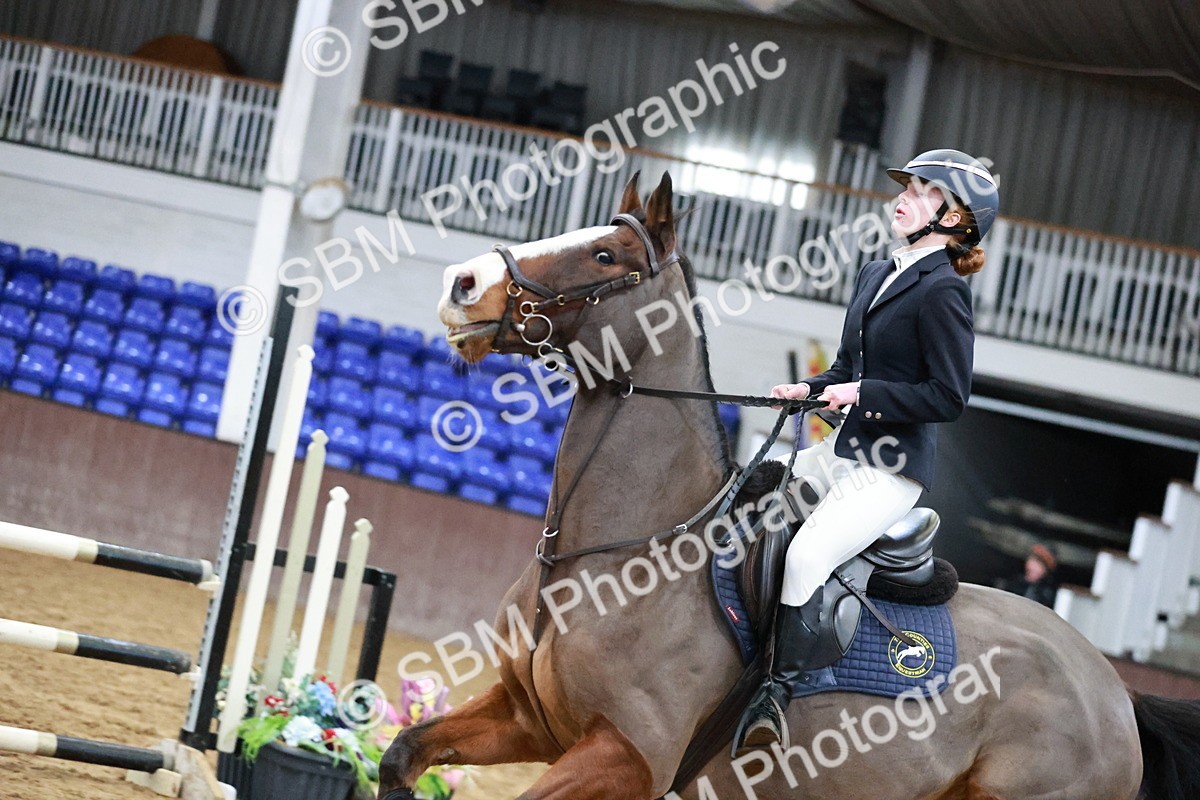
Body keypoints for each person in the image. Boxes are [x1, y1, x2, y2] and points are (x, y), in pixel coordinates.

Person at [736, 149, 1000, 751]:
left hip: (888, 471)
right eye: (909, 186)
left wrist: (864, 394)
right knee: (749, 494)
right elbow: (846, 368)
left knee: (806, 558)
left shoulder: (943, 293)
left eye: (925, 192)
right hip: (841, 452)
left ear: (957, 220)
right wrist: (811, 389)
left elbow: (948, 396)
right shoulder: (875, 272)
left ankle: (780, 693)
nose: (904, 196)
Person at [995, 543, 1059, 607]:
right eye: (1032, 560)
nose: (1033, 566)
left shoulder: (1046, 595)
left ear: (1046, 571)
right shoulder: (1011, 583)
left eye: (1040, 564)